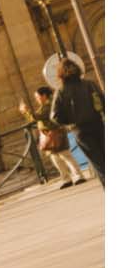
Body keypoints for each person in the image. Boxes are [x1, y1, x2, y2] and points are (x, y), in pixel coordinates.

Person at [50, 54, 105, 184]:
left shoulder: (61, 91)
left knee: (99, 164)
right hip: (98, 125)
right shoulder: (89, 84)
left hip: (80, 131)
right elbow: (103, 102)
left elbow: (54, 116)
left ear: (60, 74)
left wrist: (69, 123)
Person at [26, 86, 86, 186]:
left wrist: (26, 110)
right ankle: (66, 179)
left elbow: (37, 117)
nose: (36, 99)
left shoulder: (49, 104)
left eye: (37, 97)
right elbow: (35, 118)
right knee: (56, 158)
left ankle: (79, 176)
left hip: (56, 134)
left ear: (44, 95)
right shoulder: (44, 105)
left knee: (65, 155)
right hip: (49, 136)